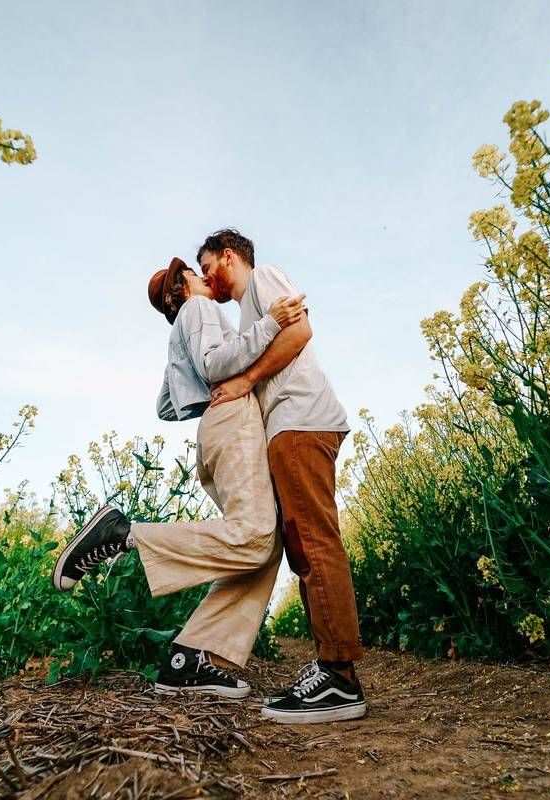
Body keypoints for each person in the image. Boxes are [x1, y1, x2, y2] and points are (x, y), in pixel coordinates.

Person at [52, 256, 305, 698]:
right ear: (181, 290)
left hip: (215, 428)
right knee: (254, 537)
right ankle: (121, 534)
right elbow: (214, 365)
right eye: (194, 273)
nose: (204, 276)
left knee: (261, 550)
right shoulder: (201, 310)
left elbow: (166, 406)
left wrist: (203, 399)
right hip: (234, 421)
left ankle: (193, 657)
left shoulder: (181, 327)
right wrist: (267, 326)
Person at [199, 228, 367, 724]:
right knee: (301, 544)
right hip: (287, 427)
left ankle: (338, 675)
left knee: (313, 542)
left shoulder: (263, 280)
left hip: (301, 421)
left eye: (209, 268)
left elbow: (300, 332)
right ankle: (333, 667)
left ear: (229, 256)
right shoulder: (249, 314)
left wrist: (247, 379)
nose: (209, 281)